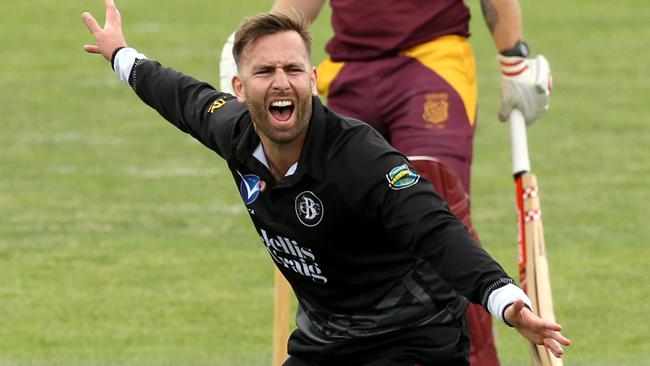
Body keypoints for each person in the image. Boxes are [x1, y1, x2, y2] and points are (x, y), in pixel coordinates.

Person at [81, 1, 569, 365]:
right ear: (238, 86)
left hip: (412, 338)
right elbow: (180, 96)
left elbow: (435, 229)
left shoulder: (358, 156)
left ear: (312, 80)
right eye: (265, 72)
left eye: (293, 70)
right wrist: (121, 54)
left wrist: (506, 301)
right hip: (328, 340)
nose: (280, 82)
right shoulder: (231, 129)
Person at [219, 1, 552, 365]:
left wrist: (512, 54)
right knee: (333, 210)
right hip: (350, 69)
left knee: (429, 195)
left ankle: (475, 358)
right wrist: (251, 48)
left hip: (432, 63)